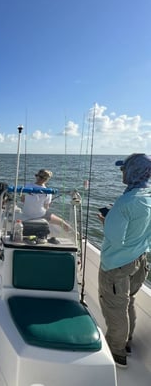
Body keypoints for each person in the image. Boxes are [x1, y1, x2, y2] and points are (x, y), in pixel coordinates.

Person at [97, 153, 151, 368]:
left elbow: (116, 239)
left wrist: (106, 220)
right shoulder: (148, 196)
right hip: (140, 261)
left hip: (117, 265)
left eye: (123, 169)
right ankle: (126, 342)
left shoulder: (125, 202)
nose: (121, 172)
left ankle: (116, 352)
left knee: (115, 307)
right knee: (127, 302)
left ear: (133, 171)